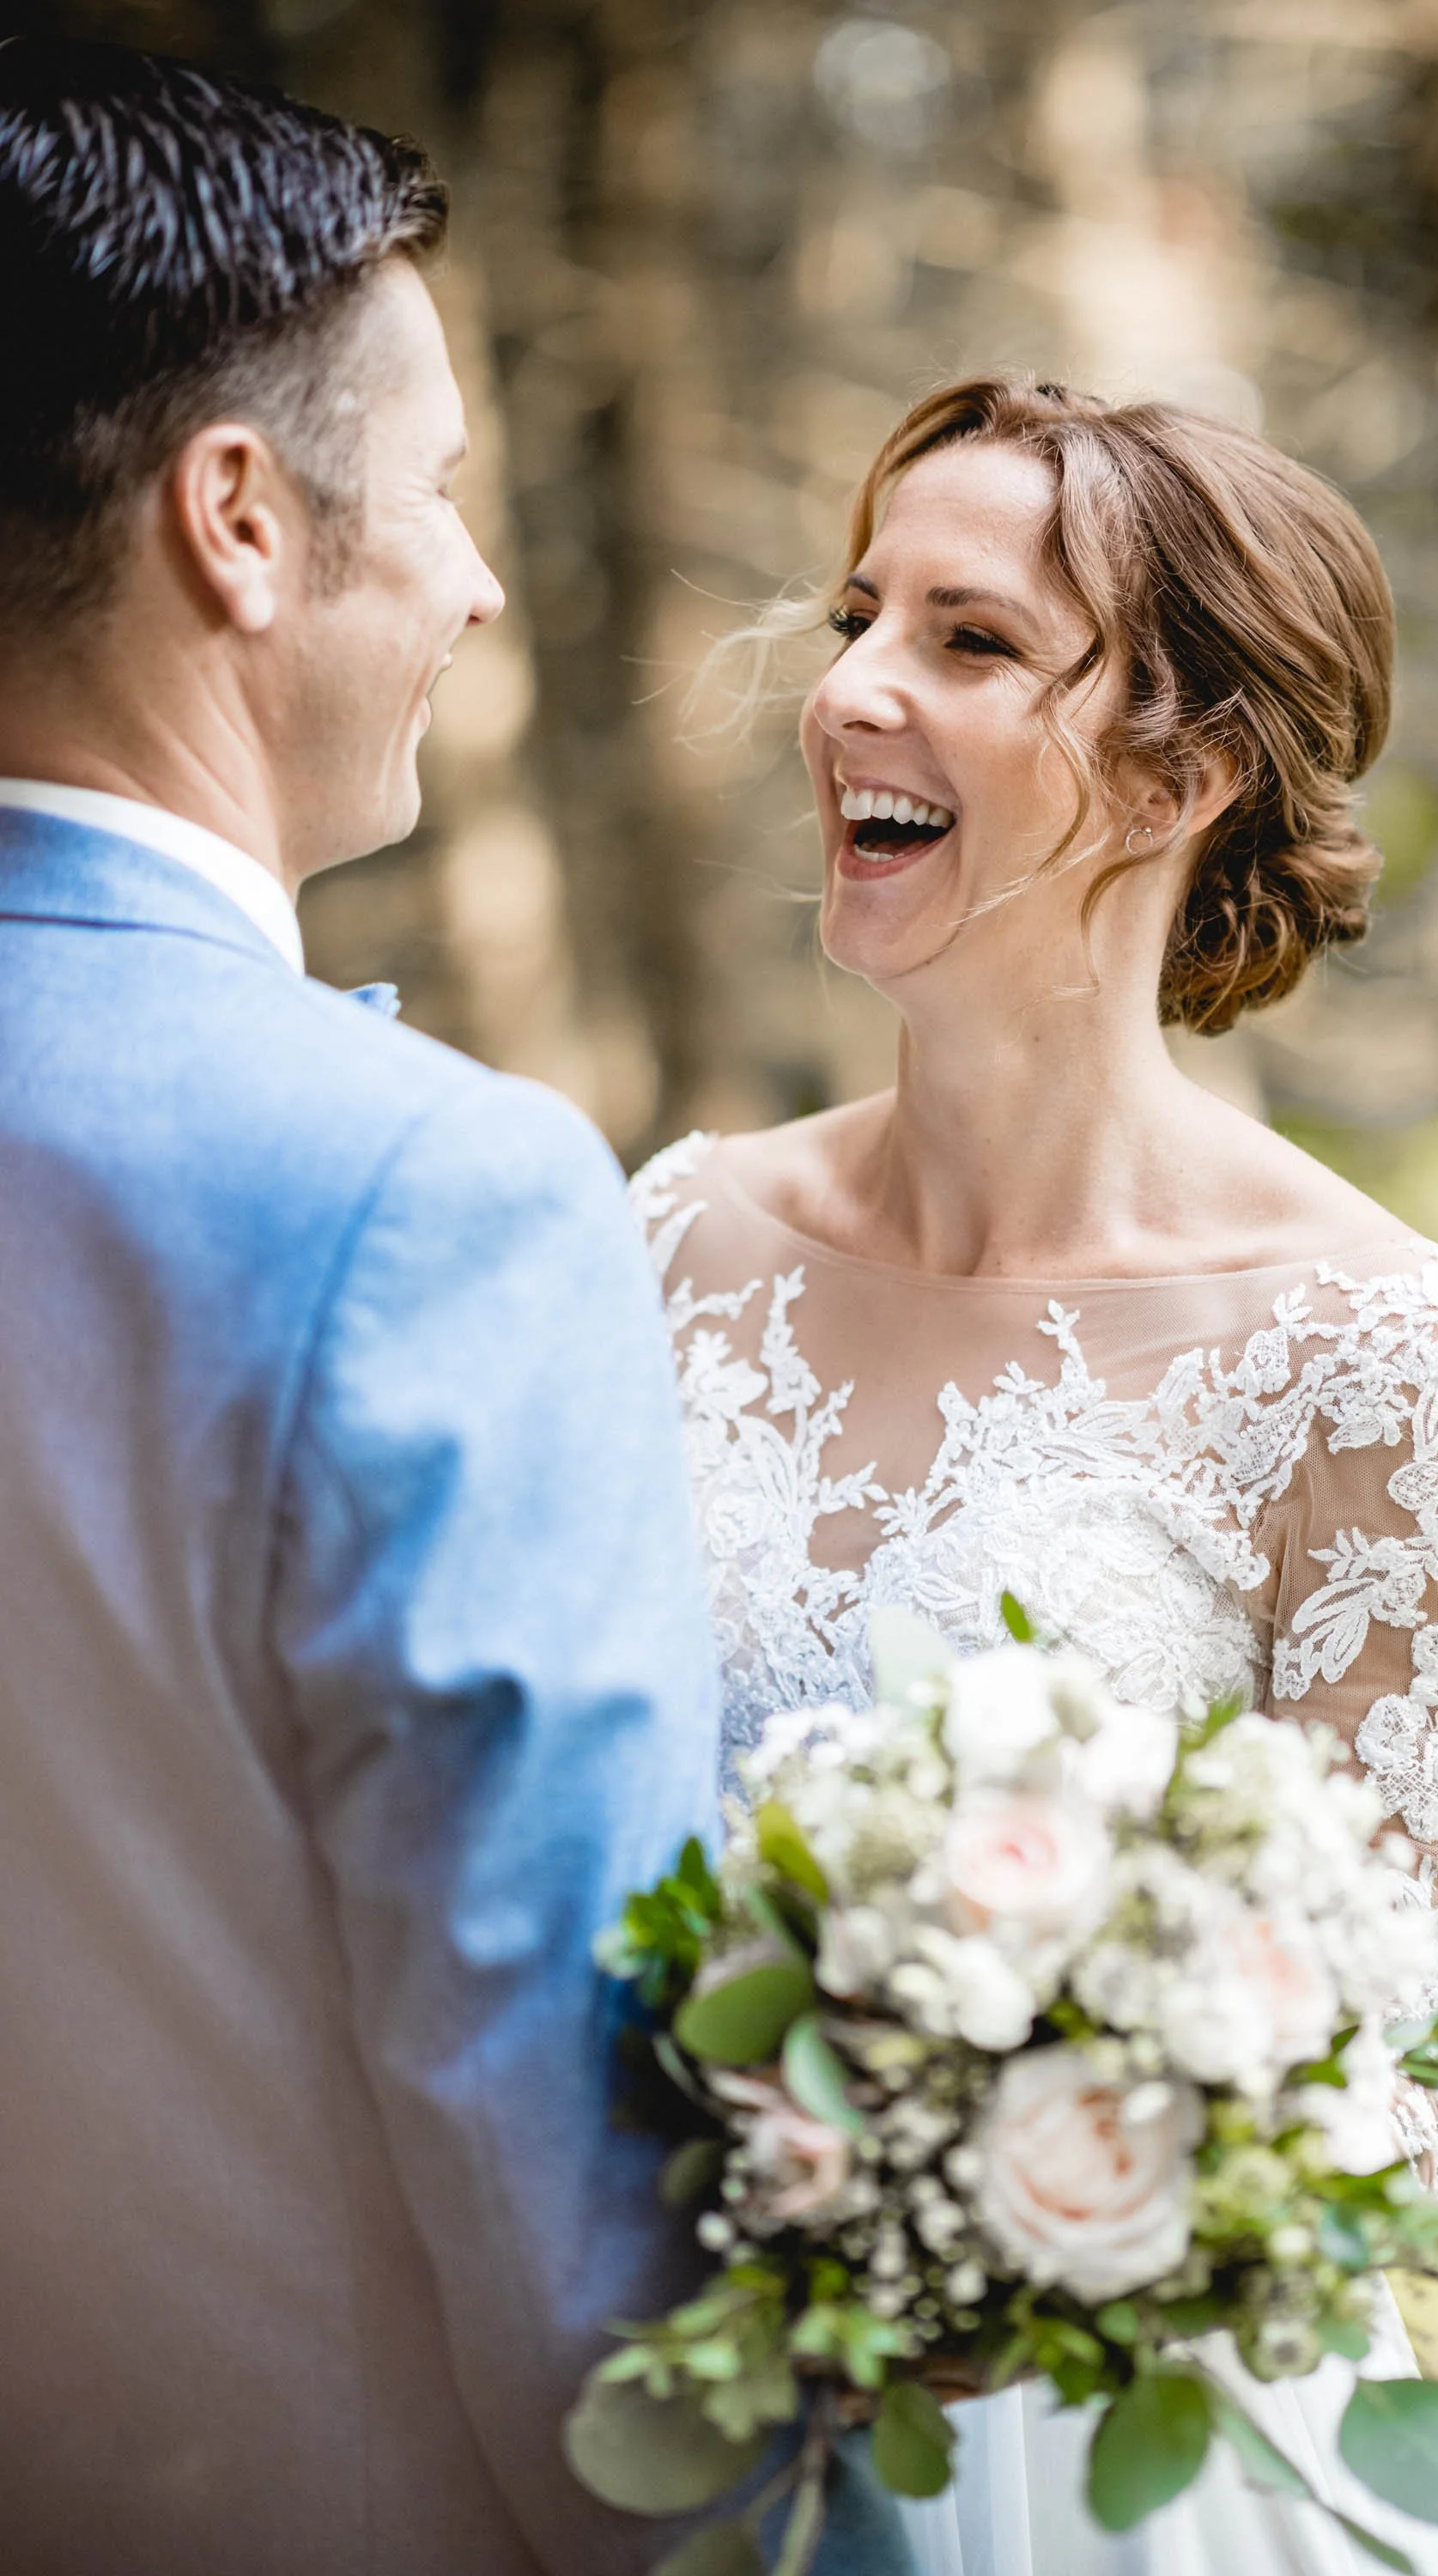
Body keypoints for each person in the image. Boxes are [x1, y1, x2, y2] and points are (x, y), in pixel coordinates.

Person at [0, 40, 912, 2576]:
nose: (483, 583)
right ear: (242, 525)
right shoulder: (430, 1196)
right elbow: (581, 2232)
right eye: (446, 494)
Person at [635, 376, 1438, 2574]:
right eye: (862, 613)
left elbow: (1389, 2102)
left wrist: (987, 2197)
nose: (846, 685)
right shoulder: (661, 1242)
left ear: (1188, 764)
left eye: (966, 641)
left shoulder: (1371, 1356)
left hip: (1116, 2468)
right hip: (660, 2404)